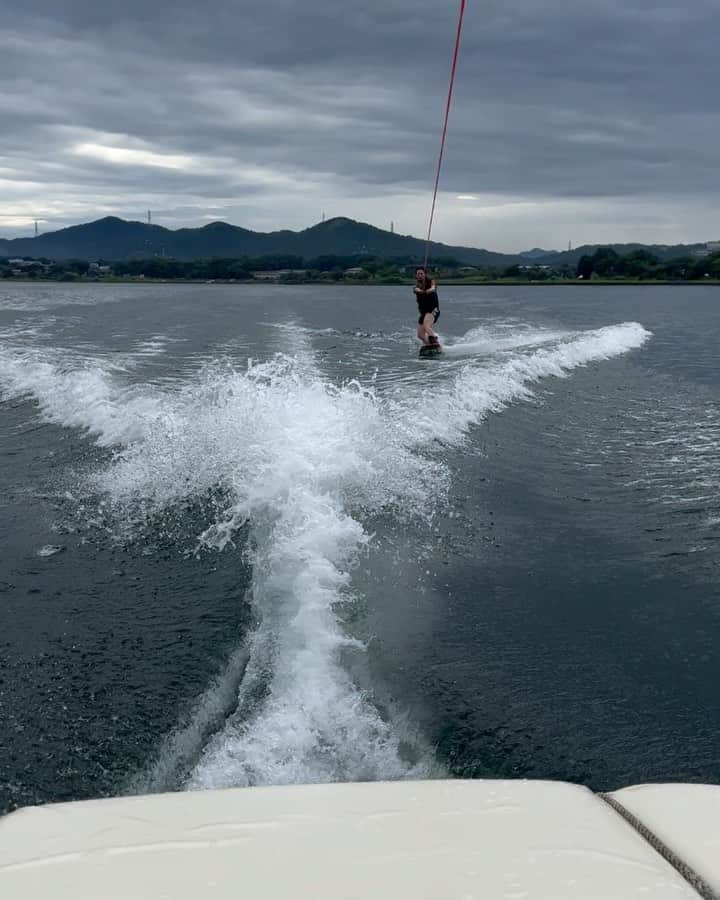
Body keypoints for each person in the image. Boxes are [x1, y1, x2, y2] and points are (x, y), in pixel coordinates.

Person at [413, 267, 440, 347]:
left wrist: (430, 290)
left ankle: (435, 343)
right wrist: (420, 291)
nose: (420, 275)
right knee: (420, 335)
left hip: (432, 310)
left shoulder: (431, 282)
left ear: (425, 274)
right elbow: (416, 289)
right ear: (416, 275)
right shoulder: (416, 286)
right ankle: (428, 345)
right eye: (418, 274)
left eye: (421, 273)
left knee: (426, 325)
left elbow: (433, 288)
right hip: (423, 313)